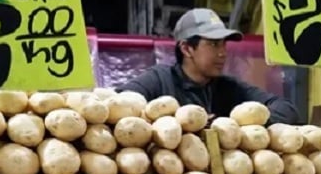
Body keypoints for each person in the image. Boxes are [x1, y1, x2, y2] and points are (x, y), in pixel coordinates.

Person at [119, 8, 301, 125]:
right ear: (187, 48)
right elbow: (119, 105)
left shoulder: (229, 88)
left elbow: (287, 110)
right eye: (213, 44)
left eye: (224, 44)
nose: (222, 53)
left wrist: (235, 124)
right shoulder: (158, 80)